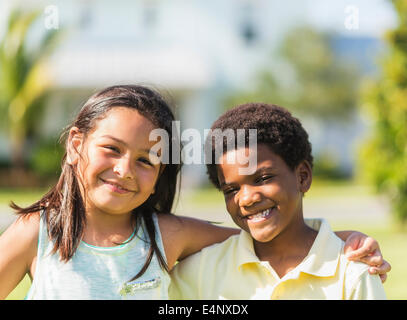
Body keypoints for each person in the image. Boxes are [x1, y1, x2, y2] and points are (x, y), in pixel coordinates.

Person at [0, 86, 388, 300]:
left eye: (146, 160)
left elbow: (262, 239)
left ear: (161, 174)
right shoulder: (36, 232)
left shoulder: (167, 236)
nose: (123, 170)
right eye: (112, 149)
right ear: (74, 145)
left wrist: (338, 244)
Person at [169, 103, 387, 299]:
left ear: (302, 176)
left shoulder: (354, 272)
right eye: (231, 189)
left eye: (262, 179)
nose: (246, 199)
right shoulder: (199, 273)